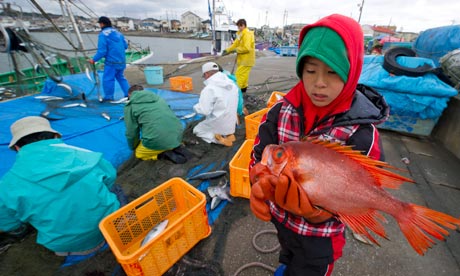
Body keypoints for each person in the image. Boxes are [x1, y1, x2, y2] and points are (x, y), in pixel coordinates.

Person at [248, 14, 389, 276]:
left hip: (320, 239)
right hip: (282, 223)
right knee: (288, 255)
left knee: (310, 268)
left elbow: (366, 189)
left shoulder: (362, 133)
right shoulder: (279, 112)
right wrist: (255, 183)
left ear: (352, 71)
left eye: (333, 72)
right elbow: (259, 155)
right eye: (310, 70)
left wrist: (320, 215)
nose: (319, 82)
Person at [0, 116, 124, 265]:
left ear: (17, 147)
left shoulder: (7, 184)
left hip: (67, 246)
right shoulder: (87, 156)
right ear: (55, 136)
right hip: (111, 227)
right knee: (115, 190)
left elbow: (8, 222)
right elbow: (110, 177)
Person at [124, 85, 187, 163]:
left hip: (157, 139)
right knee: (168, 138)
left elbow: (131, 132)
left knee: (139, 154)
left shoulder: (131, 106)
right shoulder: (159, 99)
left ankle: (163, 155)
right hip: (178, 134)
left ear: (130, 95)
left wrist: (133, 146)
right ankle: (175, 146)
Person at [193, 62, 239, 147]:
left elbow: (204, 111)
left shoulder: (209, 89)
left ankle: (219, 140)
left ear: (206, 74)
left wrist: (195, 107)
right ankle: (229, 135)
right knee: (223, 120)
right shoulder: (232, 84)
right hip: (232, 124)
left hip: (218, 123)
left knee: (197, 130)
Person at [89, 16, 130, 101]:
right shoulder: (119, 33)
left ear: (102, 24)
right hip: (121, 61)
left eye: (100, 24)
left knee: (108, 79)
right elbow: (125, 46)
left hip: (111, 62)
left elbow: (102, 51)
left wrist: (93, 59)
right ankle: (129, 94)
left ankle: (109, 97)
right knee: (121, 77)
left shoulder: (103, 34)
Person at [222, 19, 255, 93]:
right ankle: (243, 90)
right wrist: (227, 50)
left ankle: (236, 92)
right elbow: (235, 44)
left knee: (239, 75)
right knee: (244, 76)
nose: (238, 28)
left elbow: (247, 48)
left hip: (247, 60)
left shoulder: (247, 34)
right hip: (243, 60)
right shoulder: (241, 34)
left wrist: (236, 50)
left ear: (243, 25)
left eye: (239, 26)